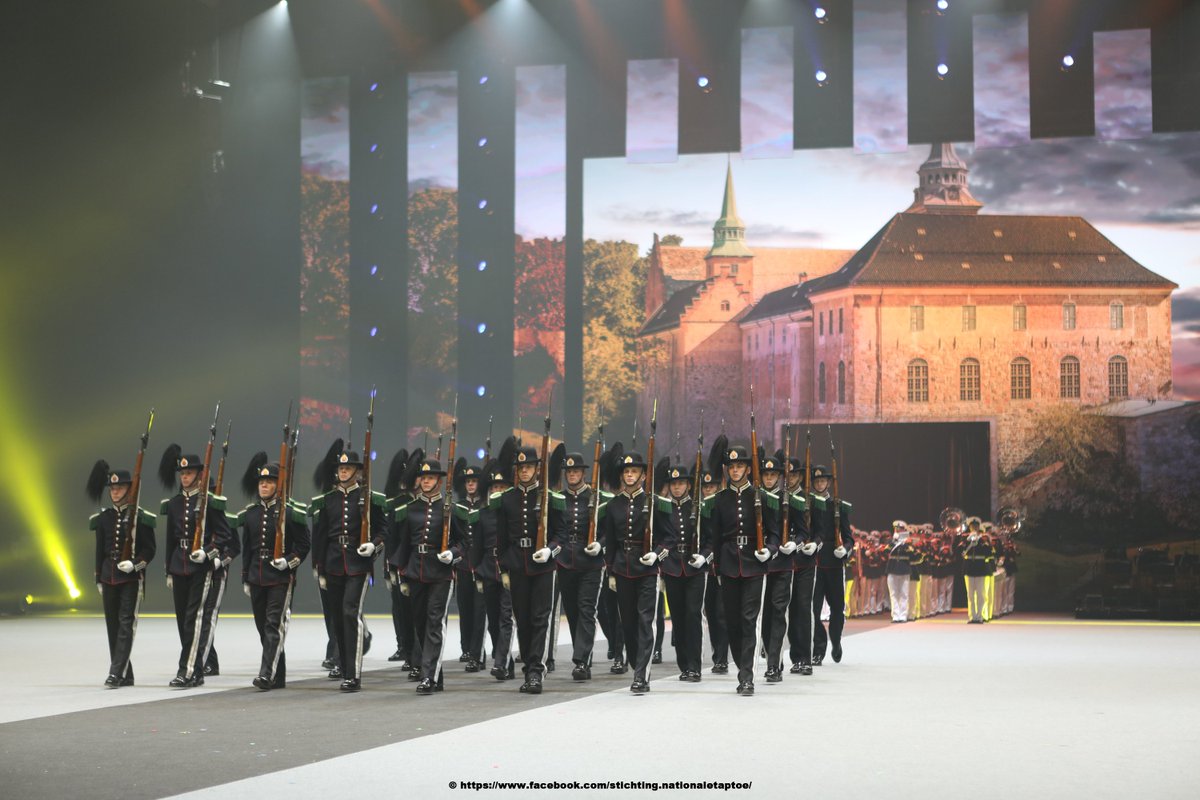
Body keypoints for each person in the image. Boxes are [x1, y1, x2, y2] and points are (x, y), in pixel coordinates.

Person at [702, 444, 780, 696]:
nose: (735, 470)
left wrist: (769, 550)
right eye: (731, 467)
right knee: (732, 622)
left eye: (740, 466)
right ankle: (741, 664)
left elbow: (774, 533)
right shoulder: (720, 500)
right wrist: (716, 568)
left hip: (754, 564)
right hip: (727, 564)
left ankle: (747, 676)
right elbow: (715, 537)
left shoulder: (761, 497)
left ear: (747, 468)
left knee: (749, 620)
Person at [310, 447, 388, 691]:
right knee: (337, 619)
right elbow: (320, 537)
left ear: (358, 472)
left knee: (350, 613)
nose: (343, 472)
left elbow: (384, 530)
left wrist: (373, 545)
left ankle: (353, 674)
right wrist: (319, 568)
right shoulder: (329, 500)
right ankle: (344, 667)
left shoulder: (369, 499)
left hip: (358, 565)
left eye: (348, 468)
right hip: (333, 563)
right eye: (341, 468)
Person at [392, 458, 471, 694]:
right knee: (420, 623)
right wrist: (402, 576)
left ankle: (428, 676)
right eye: (423, 477)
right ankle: (436, 675)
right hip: (416, 571)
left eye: (430, 477)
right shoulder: (410, 509)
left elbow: (464, 542)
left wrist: (453, 554)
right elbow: (404, 545)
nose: (425, 481)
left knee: (435, 622)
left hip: (441, 573)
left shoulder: (451, 509)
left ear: (439, 481)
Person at [159, 446, 235, 688]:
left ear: (199, 475)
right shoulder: (174, 504)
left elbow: (224, 535)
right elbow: (170, 540)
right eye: (182, 473)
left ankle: (187, 670)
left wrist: (208, 552)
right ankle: (197, 670)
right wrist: (168, 570)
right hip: (179, 565)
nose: (185, 477)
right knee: (183, 621)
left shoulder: (210, 502)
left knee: (194, 619)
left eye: (189, 473)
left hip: (200, 568)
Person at [492, 445, 564, 694]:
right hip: (516, 563)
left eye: (529, 467)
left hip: (543, 566)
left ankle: (536, 672)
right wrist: (503, 569)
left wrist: (550, 550)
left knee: (540, 618)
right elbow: (501, 538)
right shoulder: (507, 499)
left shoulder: (549, 498)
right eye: (521, 467)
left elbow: (562, 534)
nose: (524, 471)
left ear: (537, 469)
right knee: (522, 620)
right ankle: (528, 668)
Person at [600, 452, 674, 694]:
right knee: (628, 624)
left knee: (645, 621)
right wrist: (611, 573)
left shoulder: (655, 503)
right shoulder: (613, 505)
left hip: (647, 570)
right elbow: (611, 542)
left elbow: (669, 538)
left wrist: (657, 555)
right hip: (622, 568)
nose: (630, 475)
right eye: (626, 471)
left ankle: (642, 675)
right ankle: (636, 663)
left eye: (634, 471)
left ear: (643, 475)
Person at [236, 459, 309, 691]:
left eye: (269, 482)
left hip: (280, 577)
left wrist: (288, 562)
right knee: (263, 627)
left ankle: (266, 674)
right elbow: (247, 549)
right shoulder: (251, 514)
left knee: (273, 625)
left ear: (279, 485)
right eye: (261, 482)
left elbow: (304, 545)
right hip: (257, 575)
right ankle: (279, 675)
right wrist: (246, 577)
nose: (264, 486)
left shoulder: (290, 512)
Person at [88, 463, 156, 688]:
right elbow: (99, 550)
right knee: (113, 626)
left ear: (129, 489)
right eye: (112, 488)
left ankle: (116, 672)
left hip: (130, 578)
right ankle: (126, 673)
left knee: (126, 623)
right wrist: (98, 577)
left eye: (120, 488)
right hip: (109, 575)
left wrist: (135, 564)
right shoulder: (104, 518)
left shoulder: (140, 517)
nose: (115, 492)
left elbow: (150, 550)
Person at [553, 452, 608, 681]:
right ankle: (583, 652)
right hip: (566, 560)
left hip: (591, 562)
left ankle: (582, 661)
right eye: (569, 471)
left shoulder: (597, 498)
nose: (572, 474)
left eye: (576, 471)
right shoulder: (559, 499)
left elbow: (608, 530)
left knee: (587, 609)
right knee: (573, 611)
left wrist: (601, 544)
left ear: (584, 473)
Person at [658, 463, 710, 683]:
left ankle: (695, 666)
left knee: (693, 615)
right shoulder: (663, 509)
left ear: (688, 485)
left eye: (680, 483)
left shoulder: (699, 508)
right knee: (678, 618)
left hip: (694, 567)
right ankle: (684, 665)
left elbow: (711, 539)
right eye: (673, 484)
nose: (677, 487)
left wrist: (704, 556)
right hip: (672, 566)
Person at [809, 464, 853, 665]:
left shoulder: (838, 506)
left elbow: (849, 537)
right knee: (813, 609)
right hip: (814, 562)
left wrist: (845, 549)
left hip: (834, 563)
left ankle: (835, 639)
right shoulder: (808, 504)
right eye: (816, 481)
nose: (819, 484)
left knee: (837, 608)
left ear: (828, 482)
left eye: (822, 480)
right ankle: (819, 648)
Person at [476, 461, 517, 681]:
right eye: (494, 487)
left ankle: (500, 662)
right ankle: (506, 662)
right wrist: (477, 574)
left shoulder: (513, 512)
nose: (497, 491)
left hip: (508, 568)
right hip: (488, 569)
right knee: (493, 620)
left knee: (506, 618)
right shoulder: (483, 514)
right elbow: (477, 547)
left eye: (502, 487)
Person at [454, 464, 488, 671]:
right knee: (464, 608)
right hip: (463, 564)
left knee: (479, 610)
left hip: (481, 563)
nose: (471, 484)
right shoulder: (458, 507)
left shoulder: (486, 506)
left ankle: (477, 651)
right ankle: (466, 648)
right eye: (468, 481)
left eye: (474, 481)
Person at [699, 470, 729, 674]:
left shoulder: (722, 506)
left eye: (712, 486)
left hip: (721, 566)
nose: (708, 490)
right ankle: (717, 654)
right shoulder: (700, 509)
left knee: (721, 613)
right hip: (704, 569)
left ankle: (722, 658)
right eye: (705, 487)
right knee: (710, 613)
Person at [961, 517, 995, 624]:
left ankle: (980, 616)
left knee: (981, 594)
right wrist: (968, 542)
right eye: (972, 526)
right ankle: (972, 616)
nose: (974, 528)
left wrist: (980, 541)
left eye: (976, 526)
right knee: (970, 595)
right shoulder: (965, 539)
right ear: (969, 527)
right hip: (969, 568)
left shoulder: (983, 540)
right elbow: (959, 552)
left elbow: (989, 553)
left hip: (981, 568)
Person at [885, 521, 916, 623]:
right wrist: (894, 541)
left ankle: (903, 615)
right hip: (892, 568)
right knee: (893, 594)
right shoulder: (891, 541)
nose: (898, 530)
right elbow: (886, 551)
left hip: (904, 569)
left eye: (900, 529)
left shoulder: (908, 542)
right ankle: (895, 615)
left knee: (904, 594)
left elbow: (913, 555)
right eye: (896, 529)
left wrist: (906, 544)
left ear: (904, 530)